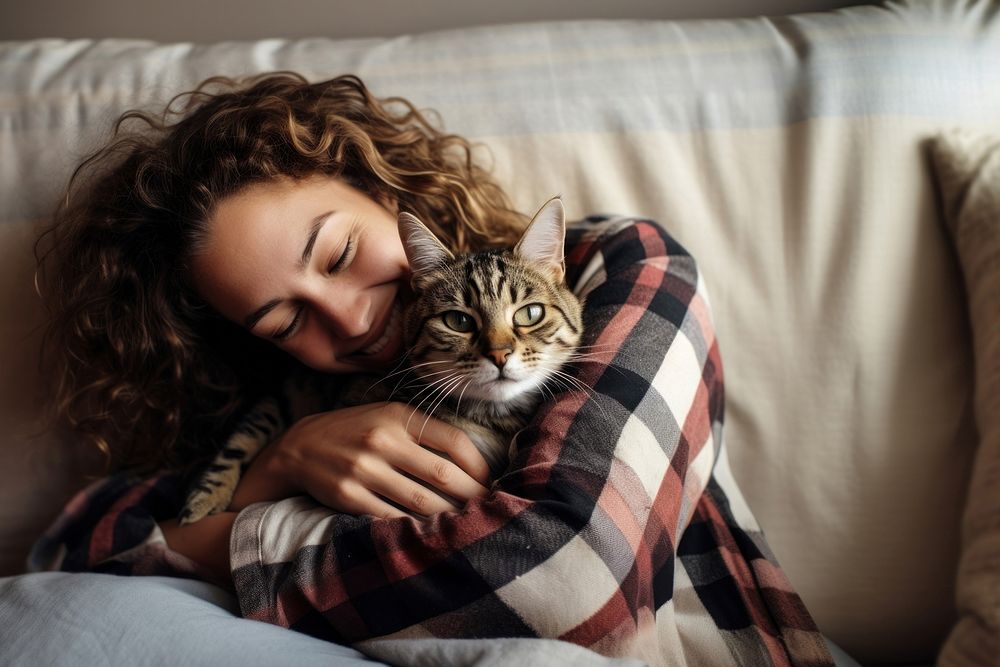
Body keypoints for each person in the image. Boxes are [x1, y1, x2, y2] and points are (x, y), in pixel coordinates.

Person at [31, 72, 832, 665]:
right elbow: (65, 556)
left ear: (388, 190)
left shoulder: (622, 268)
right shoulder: (296, 397)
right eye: (284, 317)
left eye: (340, 253)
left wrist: (232, 538)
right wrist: (274, 462)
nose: (347, 318)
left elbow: (574, 585)